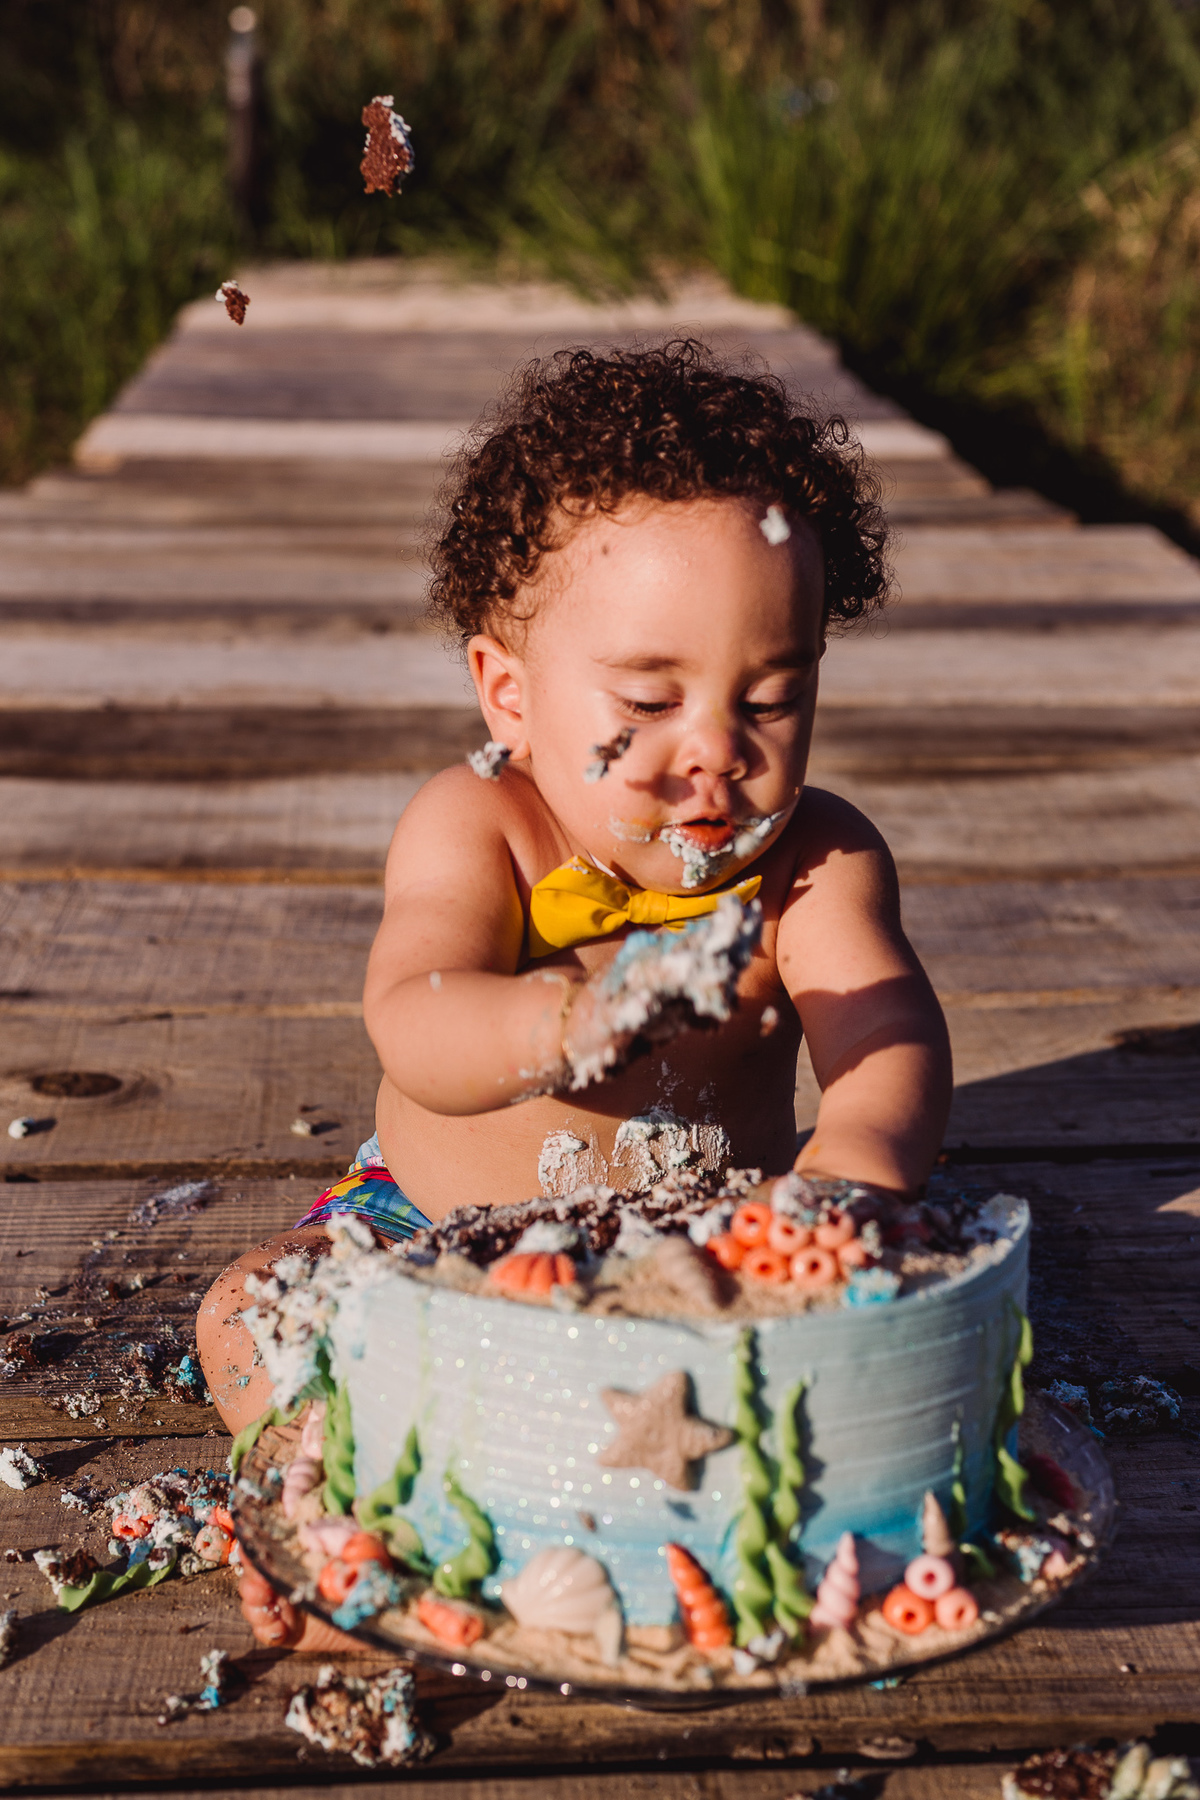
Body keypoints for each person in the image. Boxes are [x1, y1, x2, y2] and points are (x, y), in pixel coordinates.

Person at [197, 339, 952, 1649]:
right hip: (435, 1232)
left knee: (913, 1360)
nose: (714, 750)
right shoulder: (476, 825)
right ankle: (326, 1512)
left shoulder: (816, 862)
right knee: (250, 1316)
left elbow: (886, 1030)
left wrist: (852, 1180)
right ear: (511, 694)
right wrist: (565, 1022)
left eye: (771, 699)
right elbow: (415, 1017)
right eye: (649, 700)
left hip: (712, 1260)